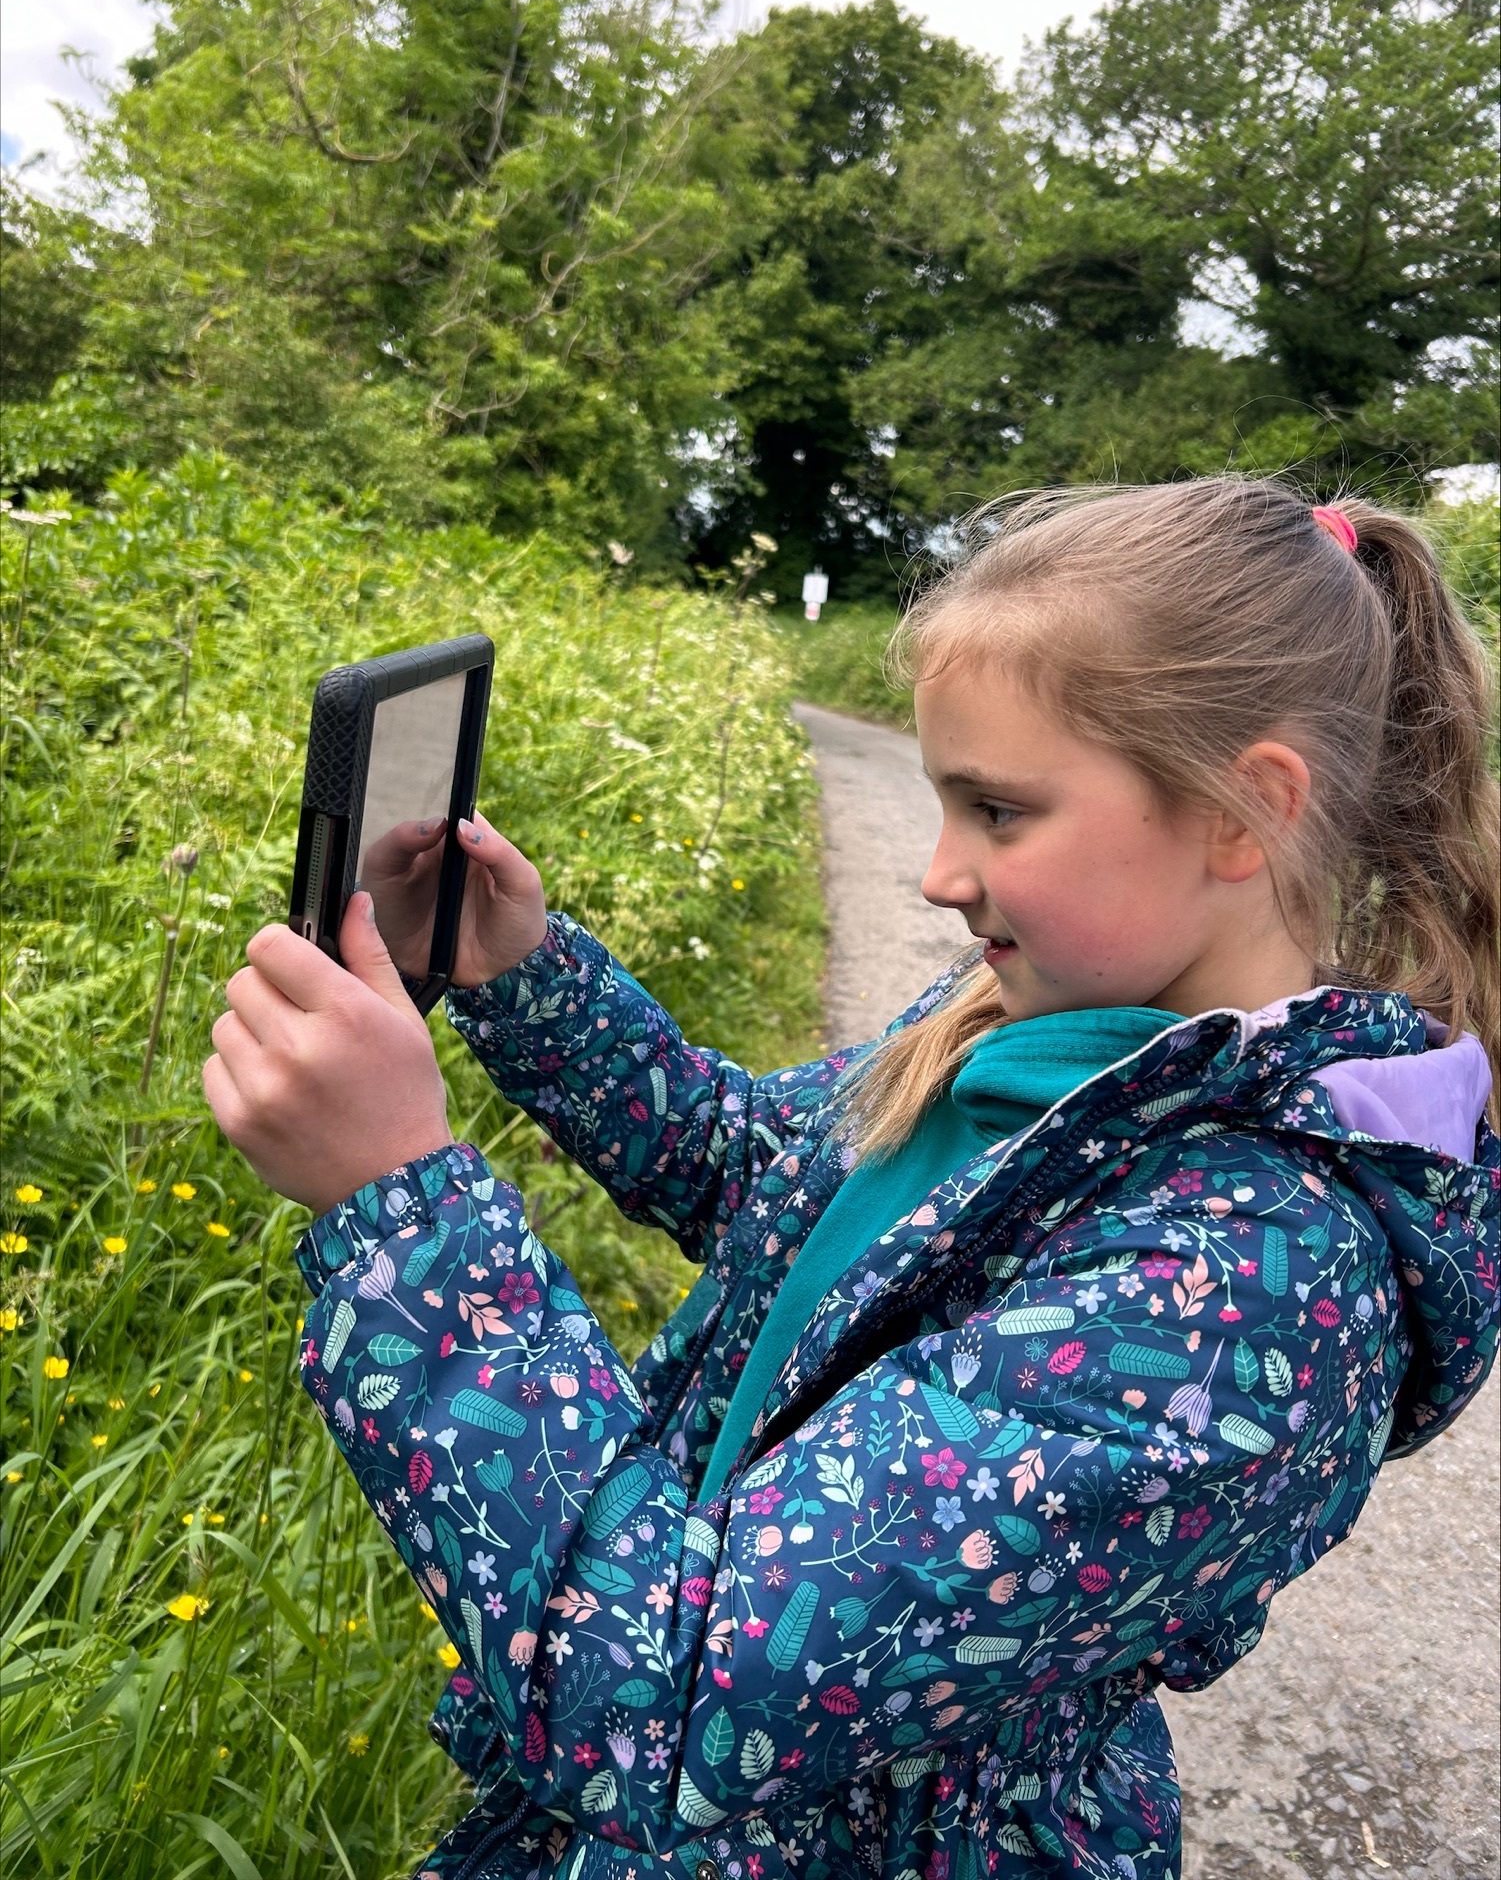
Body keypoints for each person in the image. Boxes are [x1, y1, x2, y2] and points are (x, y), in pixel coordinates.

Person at [205, 478, 1500, 1880]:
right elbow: (763, 1185)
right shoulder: (1031, 1043)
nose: (941, 874)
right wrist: (524, 978)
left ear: (1244, 811)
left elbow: (676, 1691)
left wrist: (402, 1209)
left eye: (999, 811)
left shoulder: (1243, 1293)